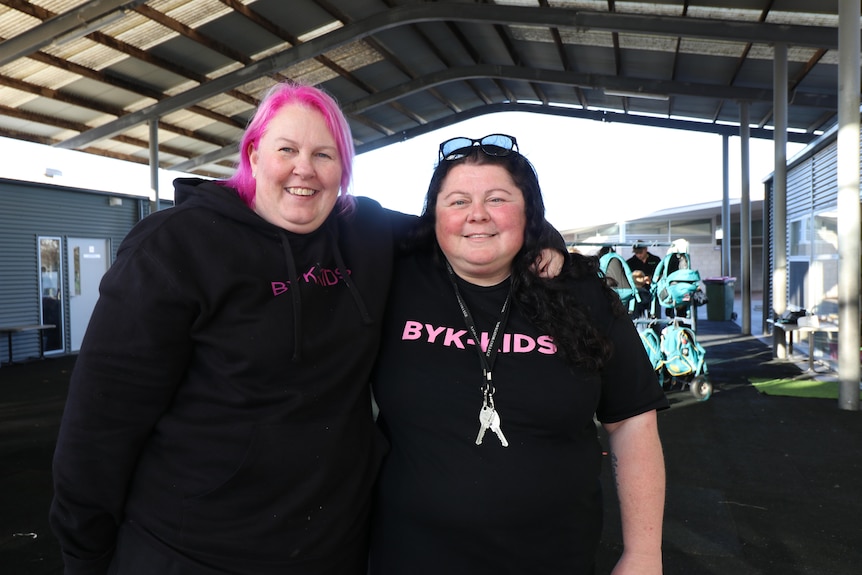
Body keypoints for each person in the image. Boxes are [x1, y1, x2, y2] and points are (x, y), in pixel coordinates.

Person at [49, 84, 565, 575]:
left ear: (342, 169)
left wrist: (545, 238)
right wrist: (86, 556)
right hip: (193, 550)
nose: (305, 170)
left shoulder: (363, 230)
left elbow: (462, 227)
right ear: (252, 156)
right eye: (286, 149)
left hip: (332, 550)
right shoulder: (174, 248)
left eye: (325, 154)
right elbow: (100, 424)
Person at [369, 135, 668, 575]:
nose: (477, 214)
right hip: (410, 556)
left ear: (529, 212)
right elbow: (328, 212)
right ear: (433, 215)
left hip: (553, 557)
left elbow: (632, 420)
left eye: (497, 199)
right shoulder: (395, 277)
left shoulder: (577, 292)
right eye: (457, 201)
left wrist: (643, 553)